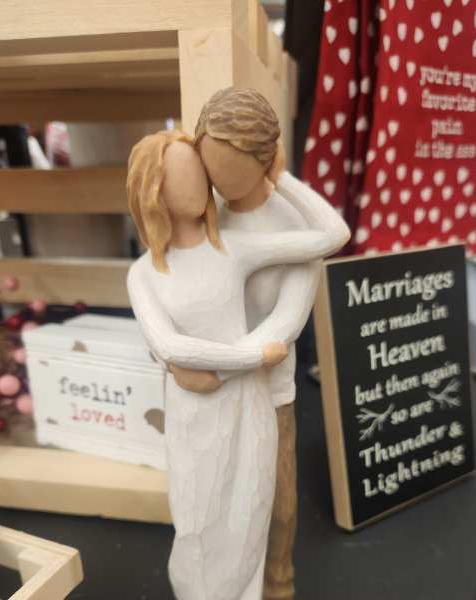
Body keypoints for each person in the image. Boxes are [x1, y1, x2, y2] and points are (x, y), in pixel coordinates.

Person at [126, 129, 350, 600]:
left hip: (249, 405)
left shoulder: (232, 249)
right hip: (193, 412)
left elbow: (333, 235)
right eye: (181, 174)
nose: (197, 183)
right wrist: (249, 357)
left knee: (250, 514)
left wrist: (278, 176)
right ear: (153, 188)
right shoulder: (143, 273)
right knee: (195, 518)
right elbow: (169, 346)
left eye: (197, 171)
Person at [175, 87, 327, 600]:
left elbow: (285, 324)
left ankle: (278, 580)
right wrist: (177, 357)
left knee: (275, 497)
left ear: (265, 161)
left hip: (265, 386)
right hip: (209, 386)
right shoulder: (205, 212)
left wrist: (220, 367)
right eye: (209, 166)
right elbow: (178, 288)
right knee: (216, 495)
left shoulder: (294, 226)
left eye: (230, 169)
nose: (217, 182)